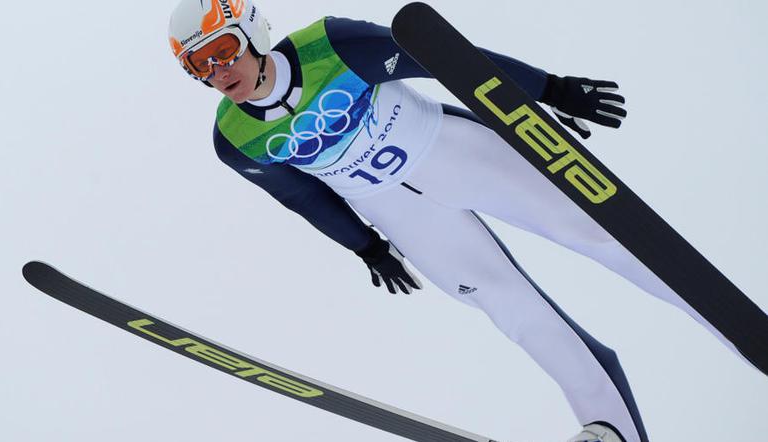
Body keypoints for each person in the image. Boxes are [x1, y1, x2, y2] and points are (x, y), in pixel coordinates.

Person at [167, 1, 747, 441]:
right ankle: (608, 426)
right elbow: (304, 198)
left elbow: (450, 64)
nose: (218, 71)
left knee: (595, 232)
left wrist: (550, 89)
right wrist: (365, 246)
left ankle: (741, 333)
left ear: (252, 33)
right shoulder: (236, 140)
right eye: (200, 64)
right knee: (511, 310)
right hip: (402, 213)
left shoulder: (329, 46)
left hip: (453, 152)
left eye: (222, 50)